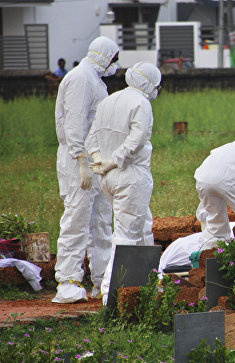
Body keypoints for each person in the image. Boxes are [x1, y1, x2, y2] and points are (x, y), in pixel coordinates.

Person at [85, 62, 161, 305]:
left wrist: (100, 162)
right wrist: (114, 161)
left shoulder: (109, 100)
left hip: (108, 178)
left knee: (143, 225)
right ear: (148, 83)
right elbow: (136, 140)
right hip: (130, 175)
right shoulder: (141, 103)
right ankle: (110, 297)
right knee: (126, 235)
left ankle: (150, 283)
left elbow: (91, 138)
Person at [53, 36, 120, 303]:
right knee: (77, 221)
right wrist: (81, 161)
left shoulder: (94, 80)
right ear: (104, 56)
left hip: (95, 162)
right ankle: (68, 281)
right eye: (113, 59)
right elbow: (75, 123)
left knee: (100, 222)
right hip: (78, 162)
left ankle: (102, 279)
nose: (115, 65)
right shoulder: (81, 78)